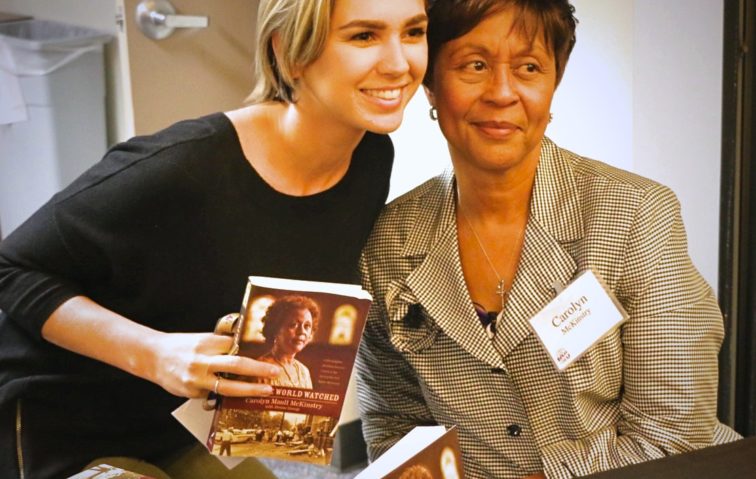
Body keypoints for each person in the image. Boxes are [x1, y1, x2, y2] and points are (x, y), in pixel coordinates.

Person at [0, 0, 428, 477]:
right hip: (68, 425)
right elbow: (11, 270)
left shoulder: (370, 160)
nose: (399, 63)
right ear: (288, 52)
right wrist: (155, 354)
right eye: (363, 36)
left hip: (184, 425)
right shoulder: (178, 169)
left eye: (413, 32)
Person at [355, 1, 742, 478]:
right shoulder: (389, 241)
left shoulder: (636, 216)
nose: (501, 92)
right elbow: (395, 424)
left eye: (529, 68)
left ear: (553, 83)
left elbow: (674, 434)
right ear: (431, 84)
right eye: (474, 65)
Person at [257, 295, 319, 388]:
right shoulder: (260, 369)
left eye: (306, 326)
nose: (302, 331)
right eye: (293, 325)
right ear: (275, 329)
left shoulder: (304, 372)